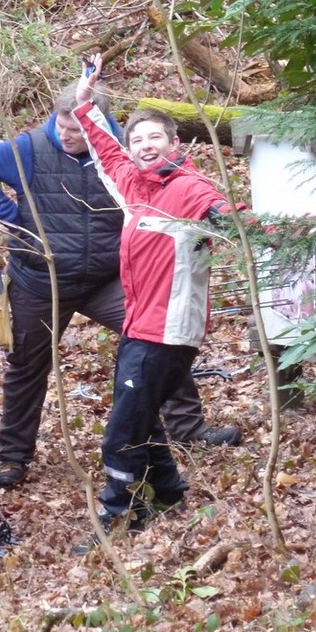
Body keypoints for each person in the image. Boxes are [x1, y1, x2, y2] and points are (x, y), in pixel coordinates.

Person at [0, 82, 239, 488]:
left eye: (77, 129)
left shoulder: (119, 152)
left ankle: (188, 428)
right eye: (62, 127)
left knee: (158, 343)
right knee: (26, 366)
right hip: (42, 280)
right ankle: (13, 457)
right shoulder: (29, 149)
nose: (68, 135)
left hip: (107, 280)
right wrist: (15, 219)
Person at [72, 54, 236, 543]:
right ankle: (167, 492)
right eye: (138, 140)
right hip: (138, 325)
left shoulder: (190, 189)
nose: (145, 147)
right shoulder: (135, 187)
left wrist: (274, 230)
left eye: (154, 138)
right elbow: (107, 152)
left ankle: (118, 514)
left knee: (122, 431)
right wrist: (85, 103)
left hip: (169, 332)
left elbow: (229, 217)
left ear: (174, 143)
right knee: (141, 418)